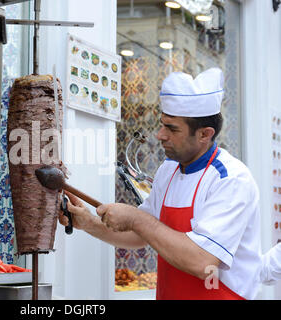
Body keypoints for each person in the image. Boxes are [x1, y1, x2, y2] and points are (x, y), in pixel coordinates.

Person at [59, 68, 263, 300]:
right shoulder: (169, 170)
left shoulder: (231, 180)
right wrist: (88, 223)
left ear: (205, 134)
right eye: (162, 124)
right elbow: (141, 235)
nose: (160, 135)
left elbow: (202, 260)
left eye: (172, 128)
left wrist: (136, 218)